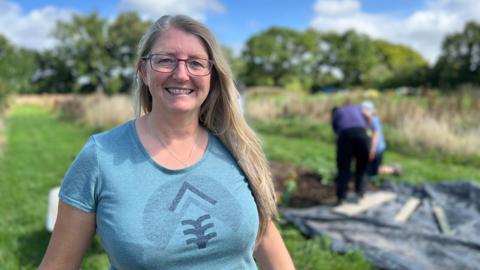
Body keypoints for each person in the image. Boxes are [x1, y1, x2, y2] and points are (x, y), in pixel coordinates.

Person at [39, 15, 294, 270]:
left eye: (196, 63)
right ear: (143, 71)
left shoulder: (236, 146)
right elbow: (58, 264)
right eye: (165, 61)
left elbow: (266, 237)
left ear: (212, 76)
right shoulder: (100, 156)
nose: (181, 74)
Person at [331, 102, 370, 205]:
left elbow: (336, 131)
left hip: (345, 136)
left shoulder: (336, 113)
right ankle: (360, 193)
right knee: (361, 166)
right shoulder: (356, 108)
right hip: (362, 134)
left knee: (343, 168)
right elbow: (368, 116)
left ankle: (341, 198)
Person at [361, 101, 401, 178]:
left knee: (374, 172)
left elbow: (376, 136)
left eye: (365, 110)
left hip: (377, 149)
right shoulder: (366, 121)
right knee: (368, 169)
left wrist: (372, 150)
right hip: (372, 149)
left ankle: (393, 169)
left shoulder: (374, 120)